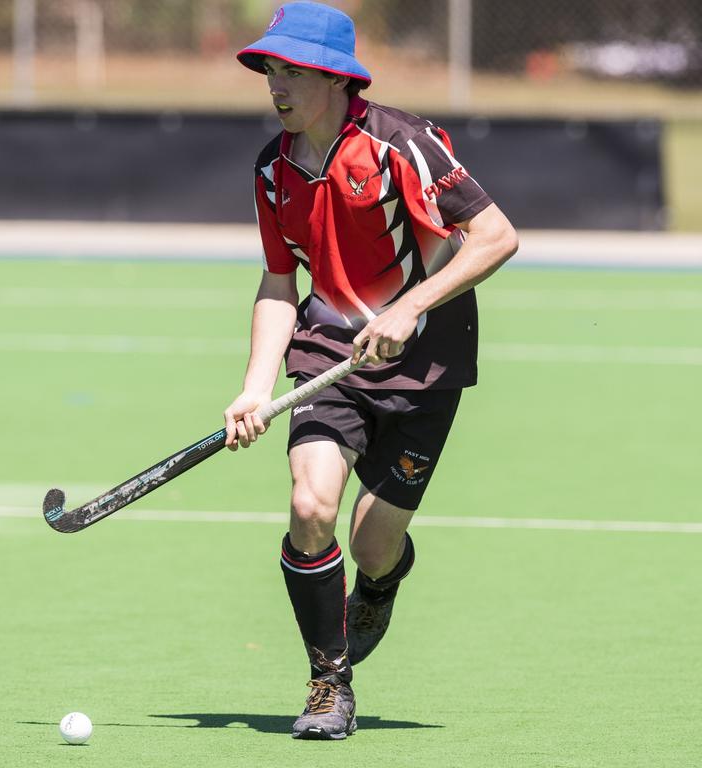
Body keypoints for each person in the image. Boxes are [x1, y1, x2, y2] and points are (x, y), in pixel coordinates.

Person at [223, 1, 519, 741]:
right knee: (311, 504)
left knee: (371, 544)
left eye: (291, 70)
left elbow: (495, 236)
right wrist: (257, 386)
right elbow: (277, 283)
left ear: (332, 78)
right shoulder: (274, 167)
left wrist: (409, 307)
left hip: (426, 364)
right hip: (330, 356)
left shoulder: (402, 146)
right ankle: (329, 682)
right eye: (269, 70)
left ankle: (382, 582)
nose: (275, 85)